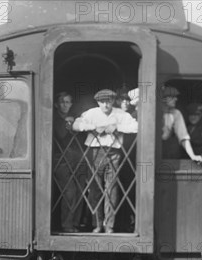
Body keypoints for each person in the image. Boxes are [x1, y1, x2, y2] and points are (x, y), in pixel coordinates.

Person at [72, 89, 138, 234]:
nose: (106, 105)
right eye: (102, 102)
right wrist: (93, 128)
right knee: (94, 189)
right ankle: (97, 224)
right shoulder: (92, 113)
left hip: (114, 153)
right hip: (95, 153)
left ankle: (109, 226)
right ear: (98, 102)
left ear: (113, 101)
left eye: (108, 101)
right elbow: (76, 124)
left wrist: (117, 127)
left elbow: (136, 127)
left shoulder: (121, 114)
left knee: (112, 190)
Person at [52, 91, 88, 233]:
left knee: (79, 190)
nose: (65, 104)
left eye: (68, 102)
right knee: (69, 191)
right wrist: (68, 122)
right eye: (62, 102)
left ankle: (75, 224)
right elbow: (61, 134)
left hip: (77, 156)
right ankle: (67, 225)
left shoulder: (75, 118)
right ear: (56, 104)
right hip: (60, 158)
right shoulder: (55, 118)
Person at [160, 86, 202, 162]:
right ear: (164, 98)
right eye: (172, 97)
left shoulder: (176, 113)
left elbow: (183, 136)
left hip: (168, 155)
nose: (176, 99)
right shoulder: (153, 111)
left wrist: (192, 156)